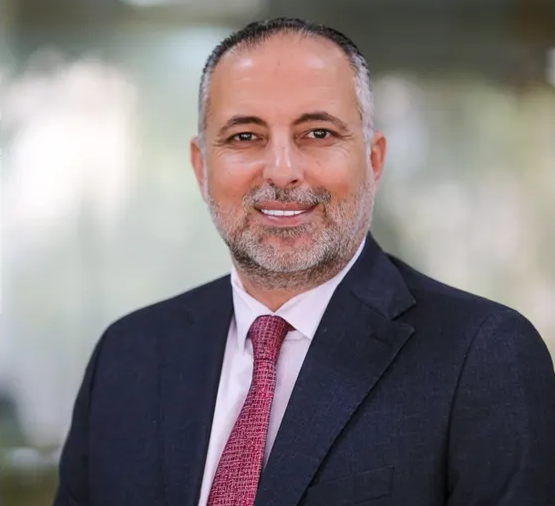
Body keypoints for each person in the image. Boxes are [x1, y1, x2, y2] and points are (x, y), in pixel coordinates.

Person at [53, 17, 555, 506]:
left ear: (374, 160)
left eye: (317, 133)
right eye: (245, 137)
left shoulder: (482, 357)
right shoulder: (128, 357)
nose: (282, 170)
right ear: (201, 167)